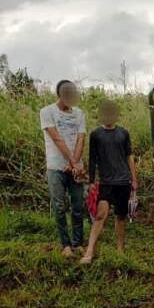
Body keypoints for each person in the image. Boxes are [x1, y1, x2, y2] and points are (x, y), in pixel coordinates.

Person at [81, 100, 137, 264]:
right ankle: (89, 252)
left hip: (123, 181)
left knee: (120, 217)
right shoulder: (96, 134)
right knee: (100, 215)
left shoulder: (123, 133)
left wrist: (134, 179)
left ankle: (119, 251)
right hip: (106, 182)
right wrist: (92, 181)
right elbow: (92, 159)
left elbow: (129, 156)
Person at [40, 80, 86, 257]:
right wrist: (73, 162)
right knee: (59, 206)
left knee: (78, 205)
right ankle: (65, 245)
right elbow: (57, 139)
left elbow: (81, 139)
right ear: (59, 94)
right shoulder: (47, 112)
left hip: (76, 167)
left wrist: (75, 164)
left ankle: (78, 243)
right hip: (55, 167)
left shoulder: (79, 113)